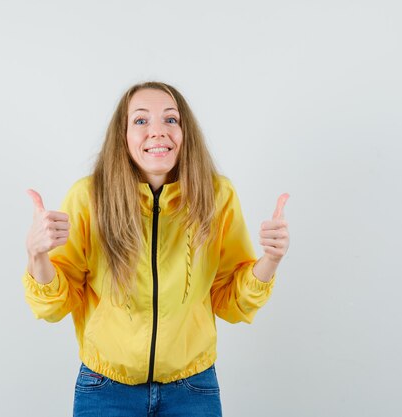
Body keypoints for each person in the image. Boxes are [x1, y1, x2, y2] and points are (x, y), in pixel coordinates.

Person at [22, 81, 290, 417]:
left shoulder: (217, 195)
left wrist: (271, 260)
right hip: (105, 389)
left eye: (171, 120)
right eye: (141, 120)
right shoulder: (88, 197)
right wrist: (37, 255)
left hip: (193, 388)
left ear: (185, 131)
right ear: (123, 135)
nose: (157, 131)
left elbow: (230, 301)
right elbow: (55, 306)